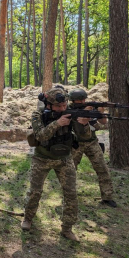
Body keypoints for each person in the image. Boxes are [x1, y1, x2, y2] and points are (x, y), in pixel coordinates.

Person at [22, 87, 91, 242]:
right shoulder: (37, 115)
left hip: (64, 159)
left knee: (71, 194)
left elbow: (85, 136)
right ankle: (28, 218)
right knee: (35, 192)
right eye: (58, 107)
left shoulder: (71, 113)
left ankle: (67, 228)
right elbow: (40, 135)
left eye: (64, 106)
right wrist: (58, 123)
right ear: (49, 106)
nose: (62, 109)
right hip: (42, 158)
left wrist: (84, 124)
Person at [68, 88, 116, 208]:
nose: (83, 101)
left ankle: (107, 197)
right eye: (80, 100)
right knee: (70, 171)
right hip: (76, 144)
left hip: (92, 142)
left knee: (102, 168)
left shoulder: (90, 107)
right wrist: (85, 112)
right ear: (73, 100)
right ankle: (68, 196)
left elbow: (103, 122)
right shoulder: (68, 109)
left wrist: (100, 111)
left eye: (84, 99)